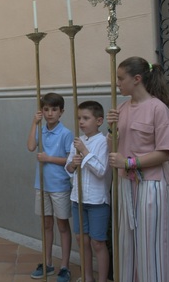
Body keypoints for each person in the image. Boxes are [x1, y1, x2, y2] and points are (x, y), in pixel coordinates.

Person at [106, 56, 169, 282]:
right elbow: (114, 147)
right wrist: (111, 130)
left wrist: (129, 163)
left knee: (152, 245)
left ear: (137, 79)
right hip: (125, 184)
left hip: (151, 185)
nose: (117, 83)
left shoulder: (159, 109)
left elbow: (164, 152)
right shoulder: (121, 108)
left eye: (121, 78)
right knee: (127, 245)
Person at [26, 92, 73, 281]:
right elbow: (30, 146)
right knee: (46, 224)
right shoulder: (40, 130)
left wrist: (49, 158)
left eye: (54, 109)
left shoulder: (66, 133)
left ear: (61, 112)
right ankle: (47, 263)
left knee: (62, 225)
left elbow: (70, 161)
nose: (50, 113)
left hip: (59, 186)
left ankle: (65, 266)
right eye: (46, 109)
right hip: (42, 185)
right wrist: (34, 123)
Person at [65, 101, 110, 282]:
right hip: (78, 198)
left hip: (97, 200)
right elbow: (68, 168)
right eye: (79, 118)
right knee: (81, 240)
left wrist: (85, 152)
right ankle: (87, 276)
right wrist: (73, 164)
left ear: (99, 121)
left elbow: (101, 171)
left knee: (98, 242)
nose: (81, 122)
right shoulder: (78, 141)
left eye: (86, 118)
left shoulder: (104, 142)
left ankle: (102, 279)